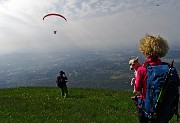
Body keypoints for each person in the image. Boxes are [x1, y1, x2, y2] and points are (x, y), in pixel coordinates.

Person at [135, 34, 170, 123]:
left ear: (145, 51)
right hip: (164, 108)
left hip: (145, 108)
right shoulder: (168, 68)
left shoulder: (142, 70)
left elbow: (138, 89)